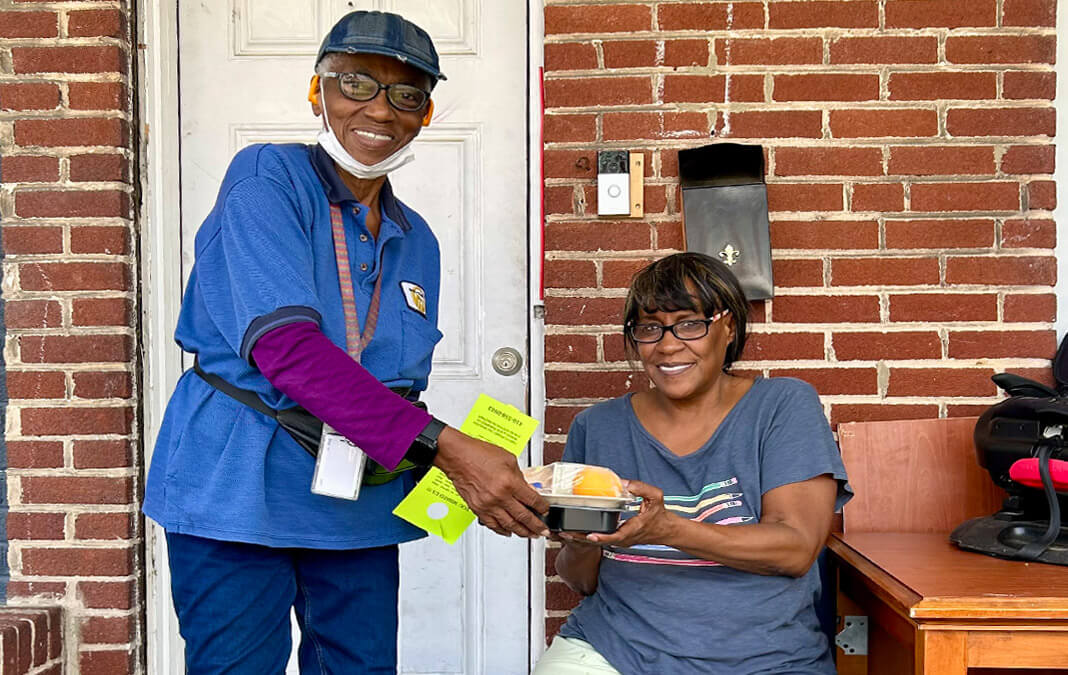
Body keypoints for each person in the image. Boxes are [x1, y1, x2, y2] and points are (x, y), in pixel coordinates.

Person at [143, 10, 548, 673]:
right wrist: (449, 448)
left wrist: (474, 482)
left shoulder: (417, 239)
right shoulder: (267, 179)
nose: (380, 109)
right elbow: (287, 351)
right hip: (238, 491)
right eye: (355, 82)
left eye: (406, 93)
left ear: (427, 113)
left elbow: (398, 386)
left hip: (355, 499)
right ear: (316, 92)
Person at [534, 252, 852, 675]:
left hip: (764, 660)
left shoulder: (782, 406)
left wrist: (667, 528)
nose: (667, 345)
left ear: (729, 327)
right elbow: (582, 581)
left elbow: (793, 550)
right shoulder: (597, 427)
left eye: (689, 324)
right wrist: (579, 541)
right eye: (649, 328)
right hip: (614, 649)